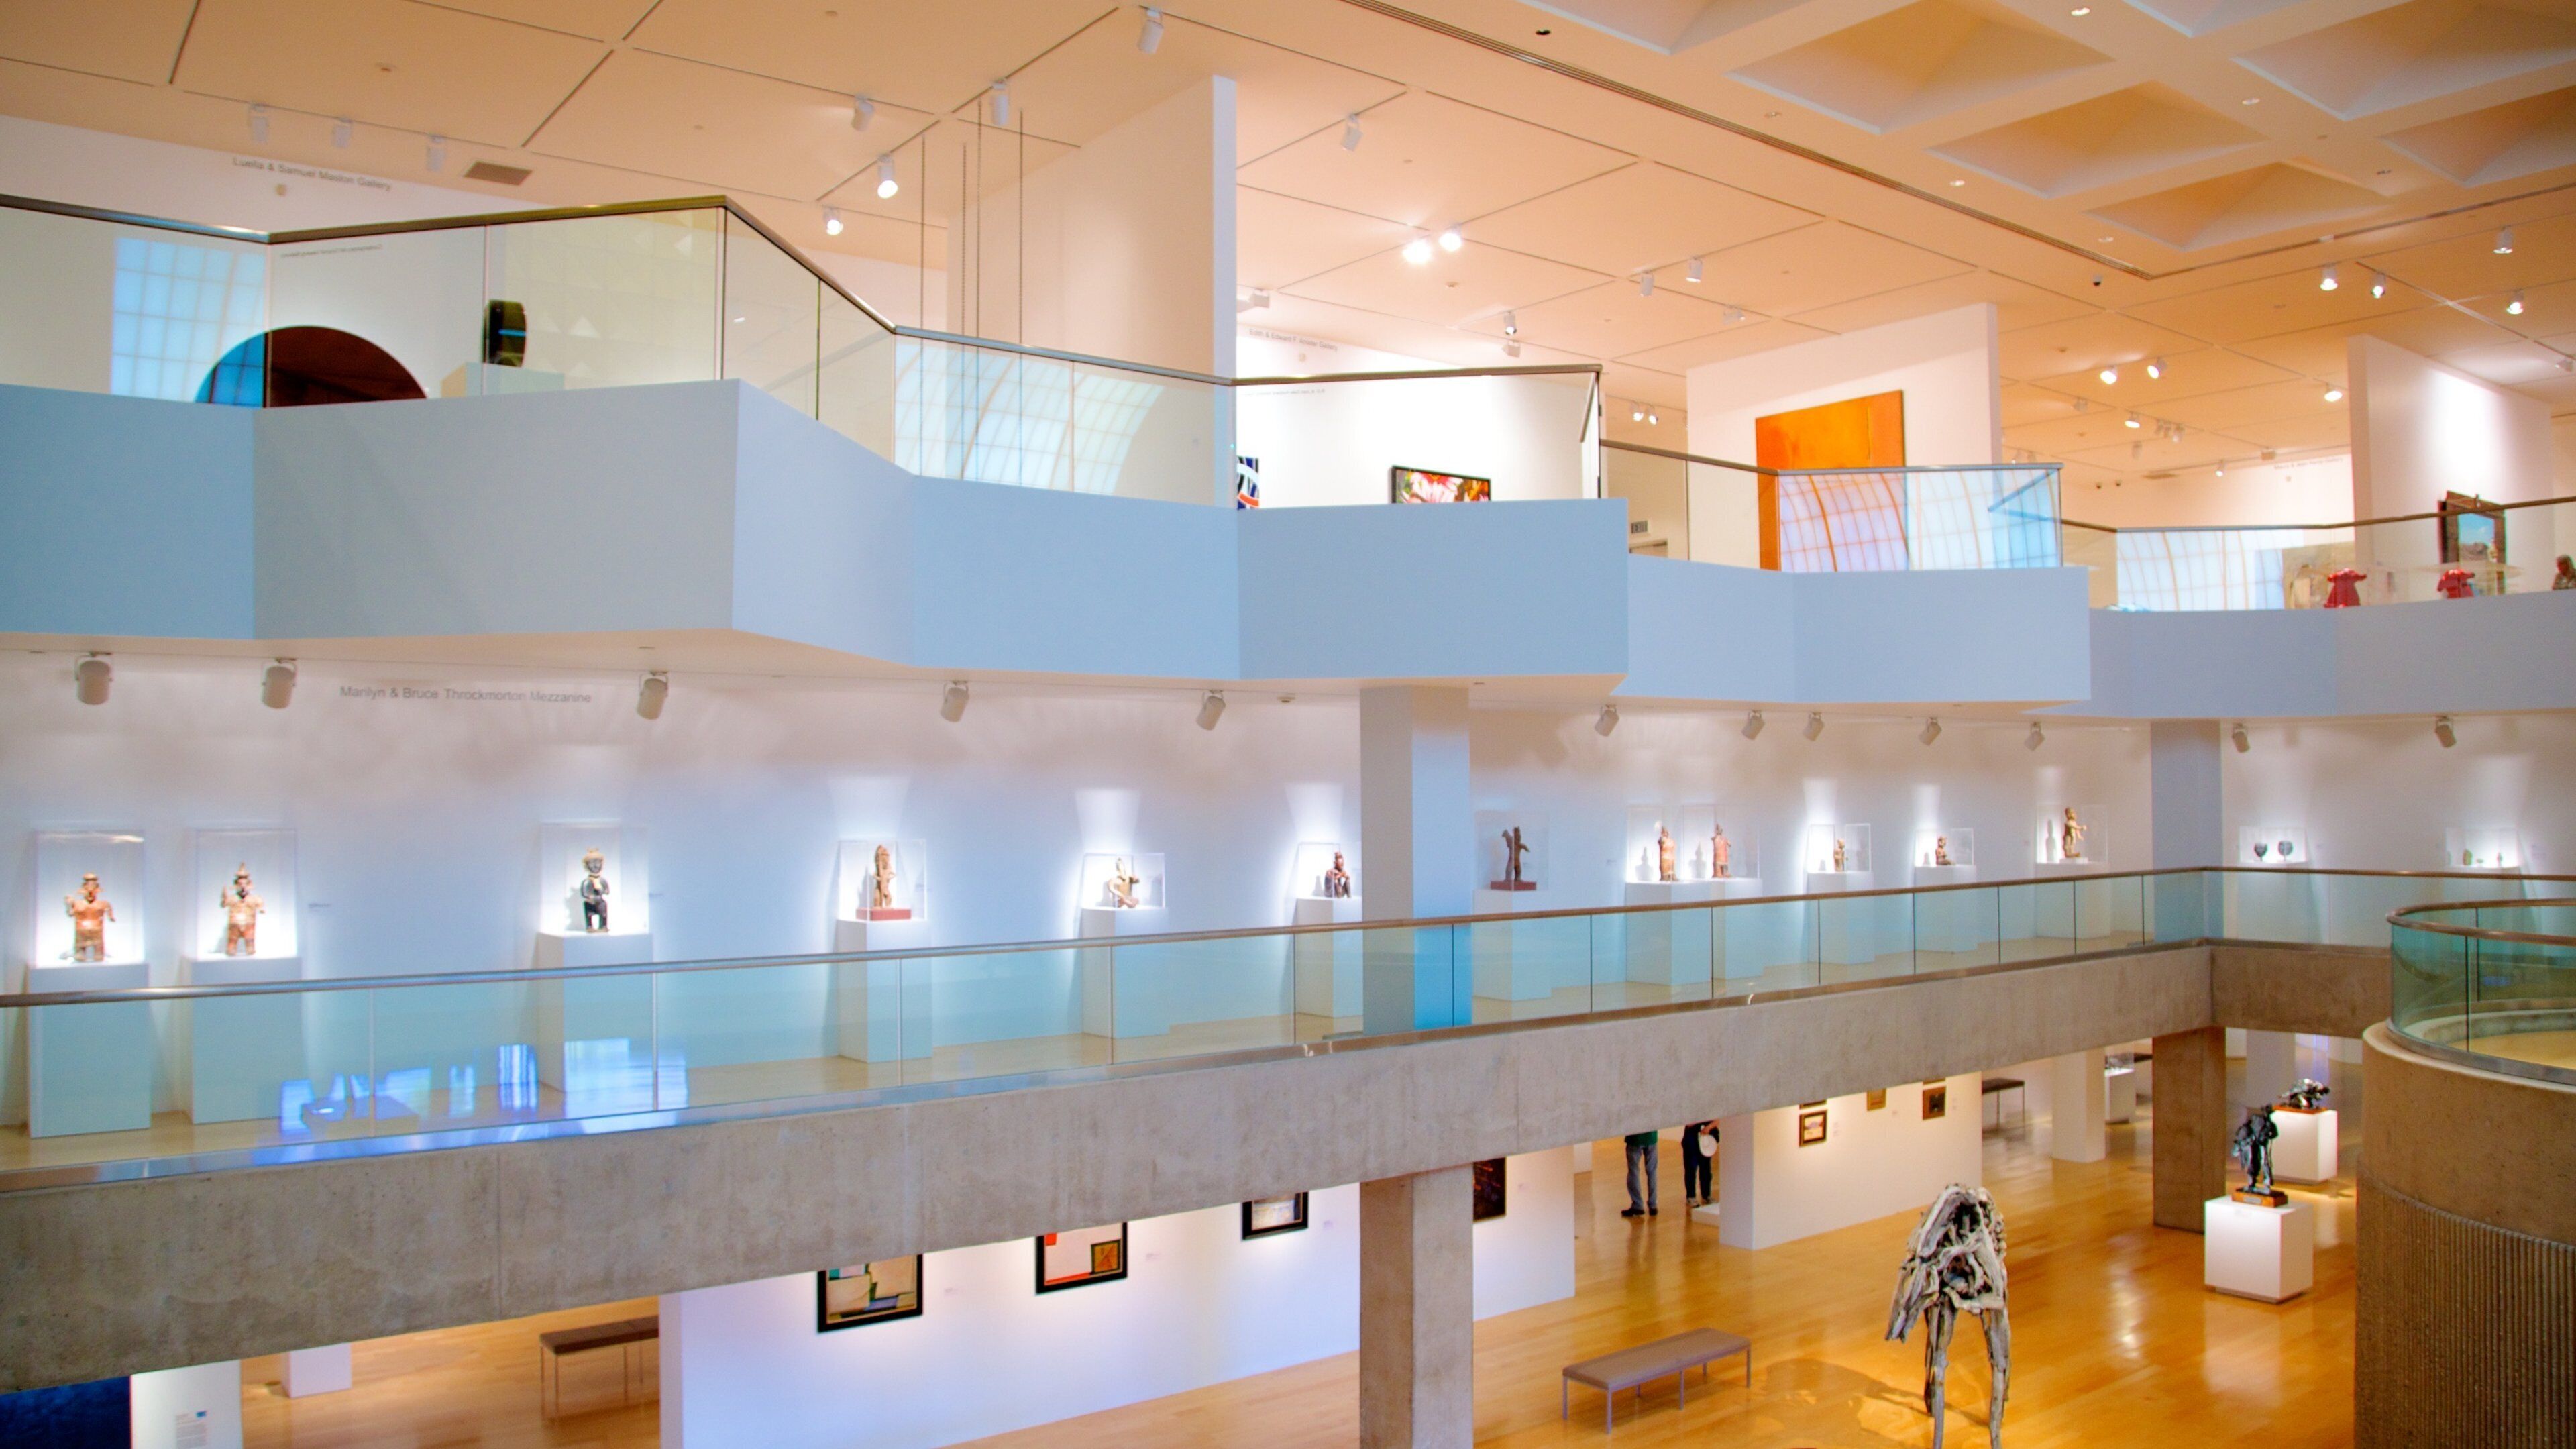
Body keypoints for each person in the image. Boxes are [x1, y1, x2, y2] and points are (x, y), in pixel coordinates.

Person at [1621, 1128, 1660, 1218]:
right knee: (1652, 1172)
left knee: (1634, 1172)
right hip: (1651, 1137)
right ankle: (1653, 1205)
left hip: (1635, 1138)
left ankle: (1638, 1205)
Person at [1681, 1120, 1717, 1208]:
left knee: (1706, 1168)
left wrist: (1709, 1127)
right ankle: (1691, 1197)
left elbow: (1717, 1119)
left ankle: (1707, 1195)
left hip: (1705, 1139)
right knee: (1691, 1168)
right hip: (1691, 1139)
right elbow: (1689, 1123)